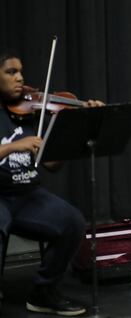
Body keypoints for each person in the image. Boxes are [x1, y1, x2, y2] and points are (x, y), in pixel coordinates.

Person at [0, 50, 104, 316]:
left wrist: (77, 132)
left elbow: (50, 165)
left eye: (21, 71)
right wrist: (15, 146)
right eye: (11, 72)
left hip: (27, 194)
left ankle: (42, 292)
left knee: (72, 221)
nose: (20, 78)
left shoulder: (29, 113)